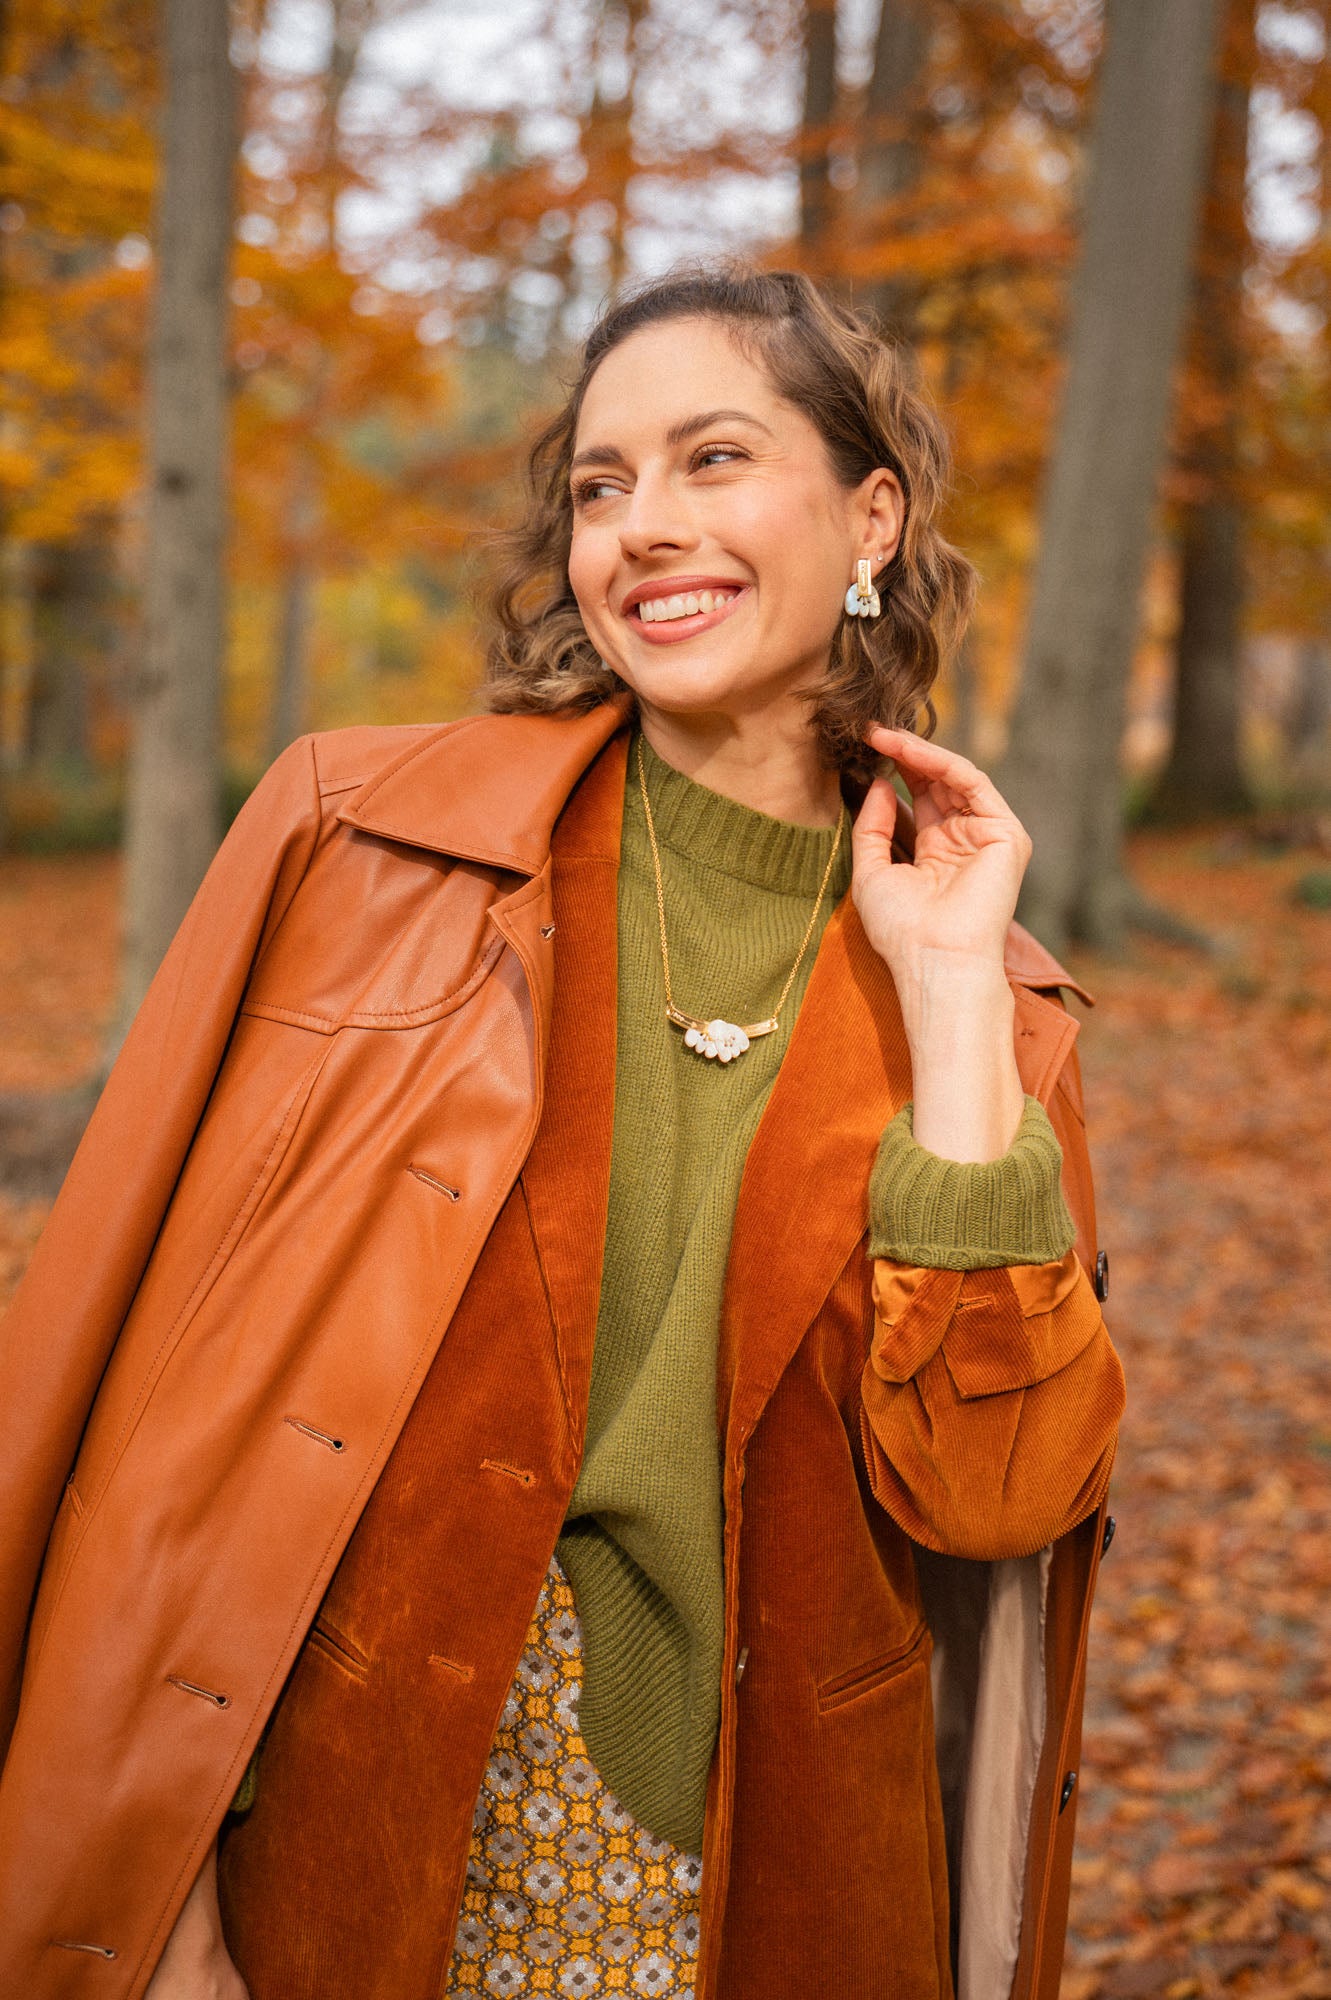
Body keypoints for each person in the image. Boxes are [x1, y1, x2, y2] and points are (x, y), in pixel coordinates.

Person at [0, 263, 1123, 2000]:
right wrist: (147, 1896)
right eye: (604, 485)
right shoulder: (364, 848)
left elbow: (998, 1501)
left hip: (785, 1886)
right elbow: (147, 1397)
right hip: (350, 1839)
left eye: (714, 459)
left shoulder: (995, 1006)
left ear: (871, 517)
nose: (642, 525)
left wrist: (956, 995)